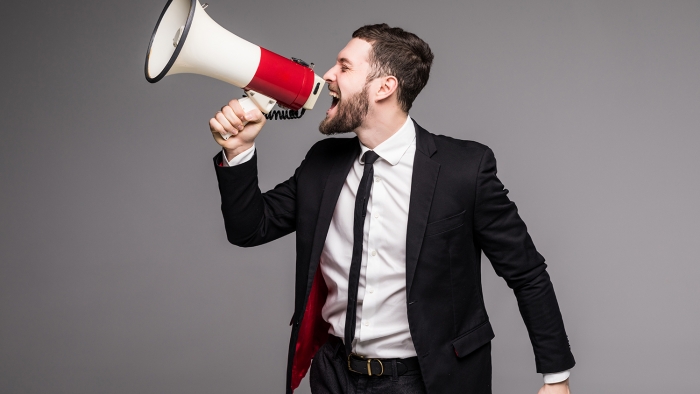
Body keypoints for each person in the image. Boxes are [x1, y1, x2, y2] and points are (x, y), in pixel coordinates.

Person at [208, 24, 575, 394]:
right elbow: (249, 229)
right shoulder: (323, 163)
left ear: (385, 87)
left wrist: (556, 378)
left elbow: (527, 273)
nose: (327, 77)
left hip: (425, 380)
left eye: (344, 67)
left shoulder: (465, 169)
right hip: (334, 375)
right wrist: (238, 152)